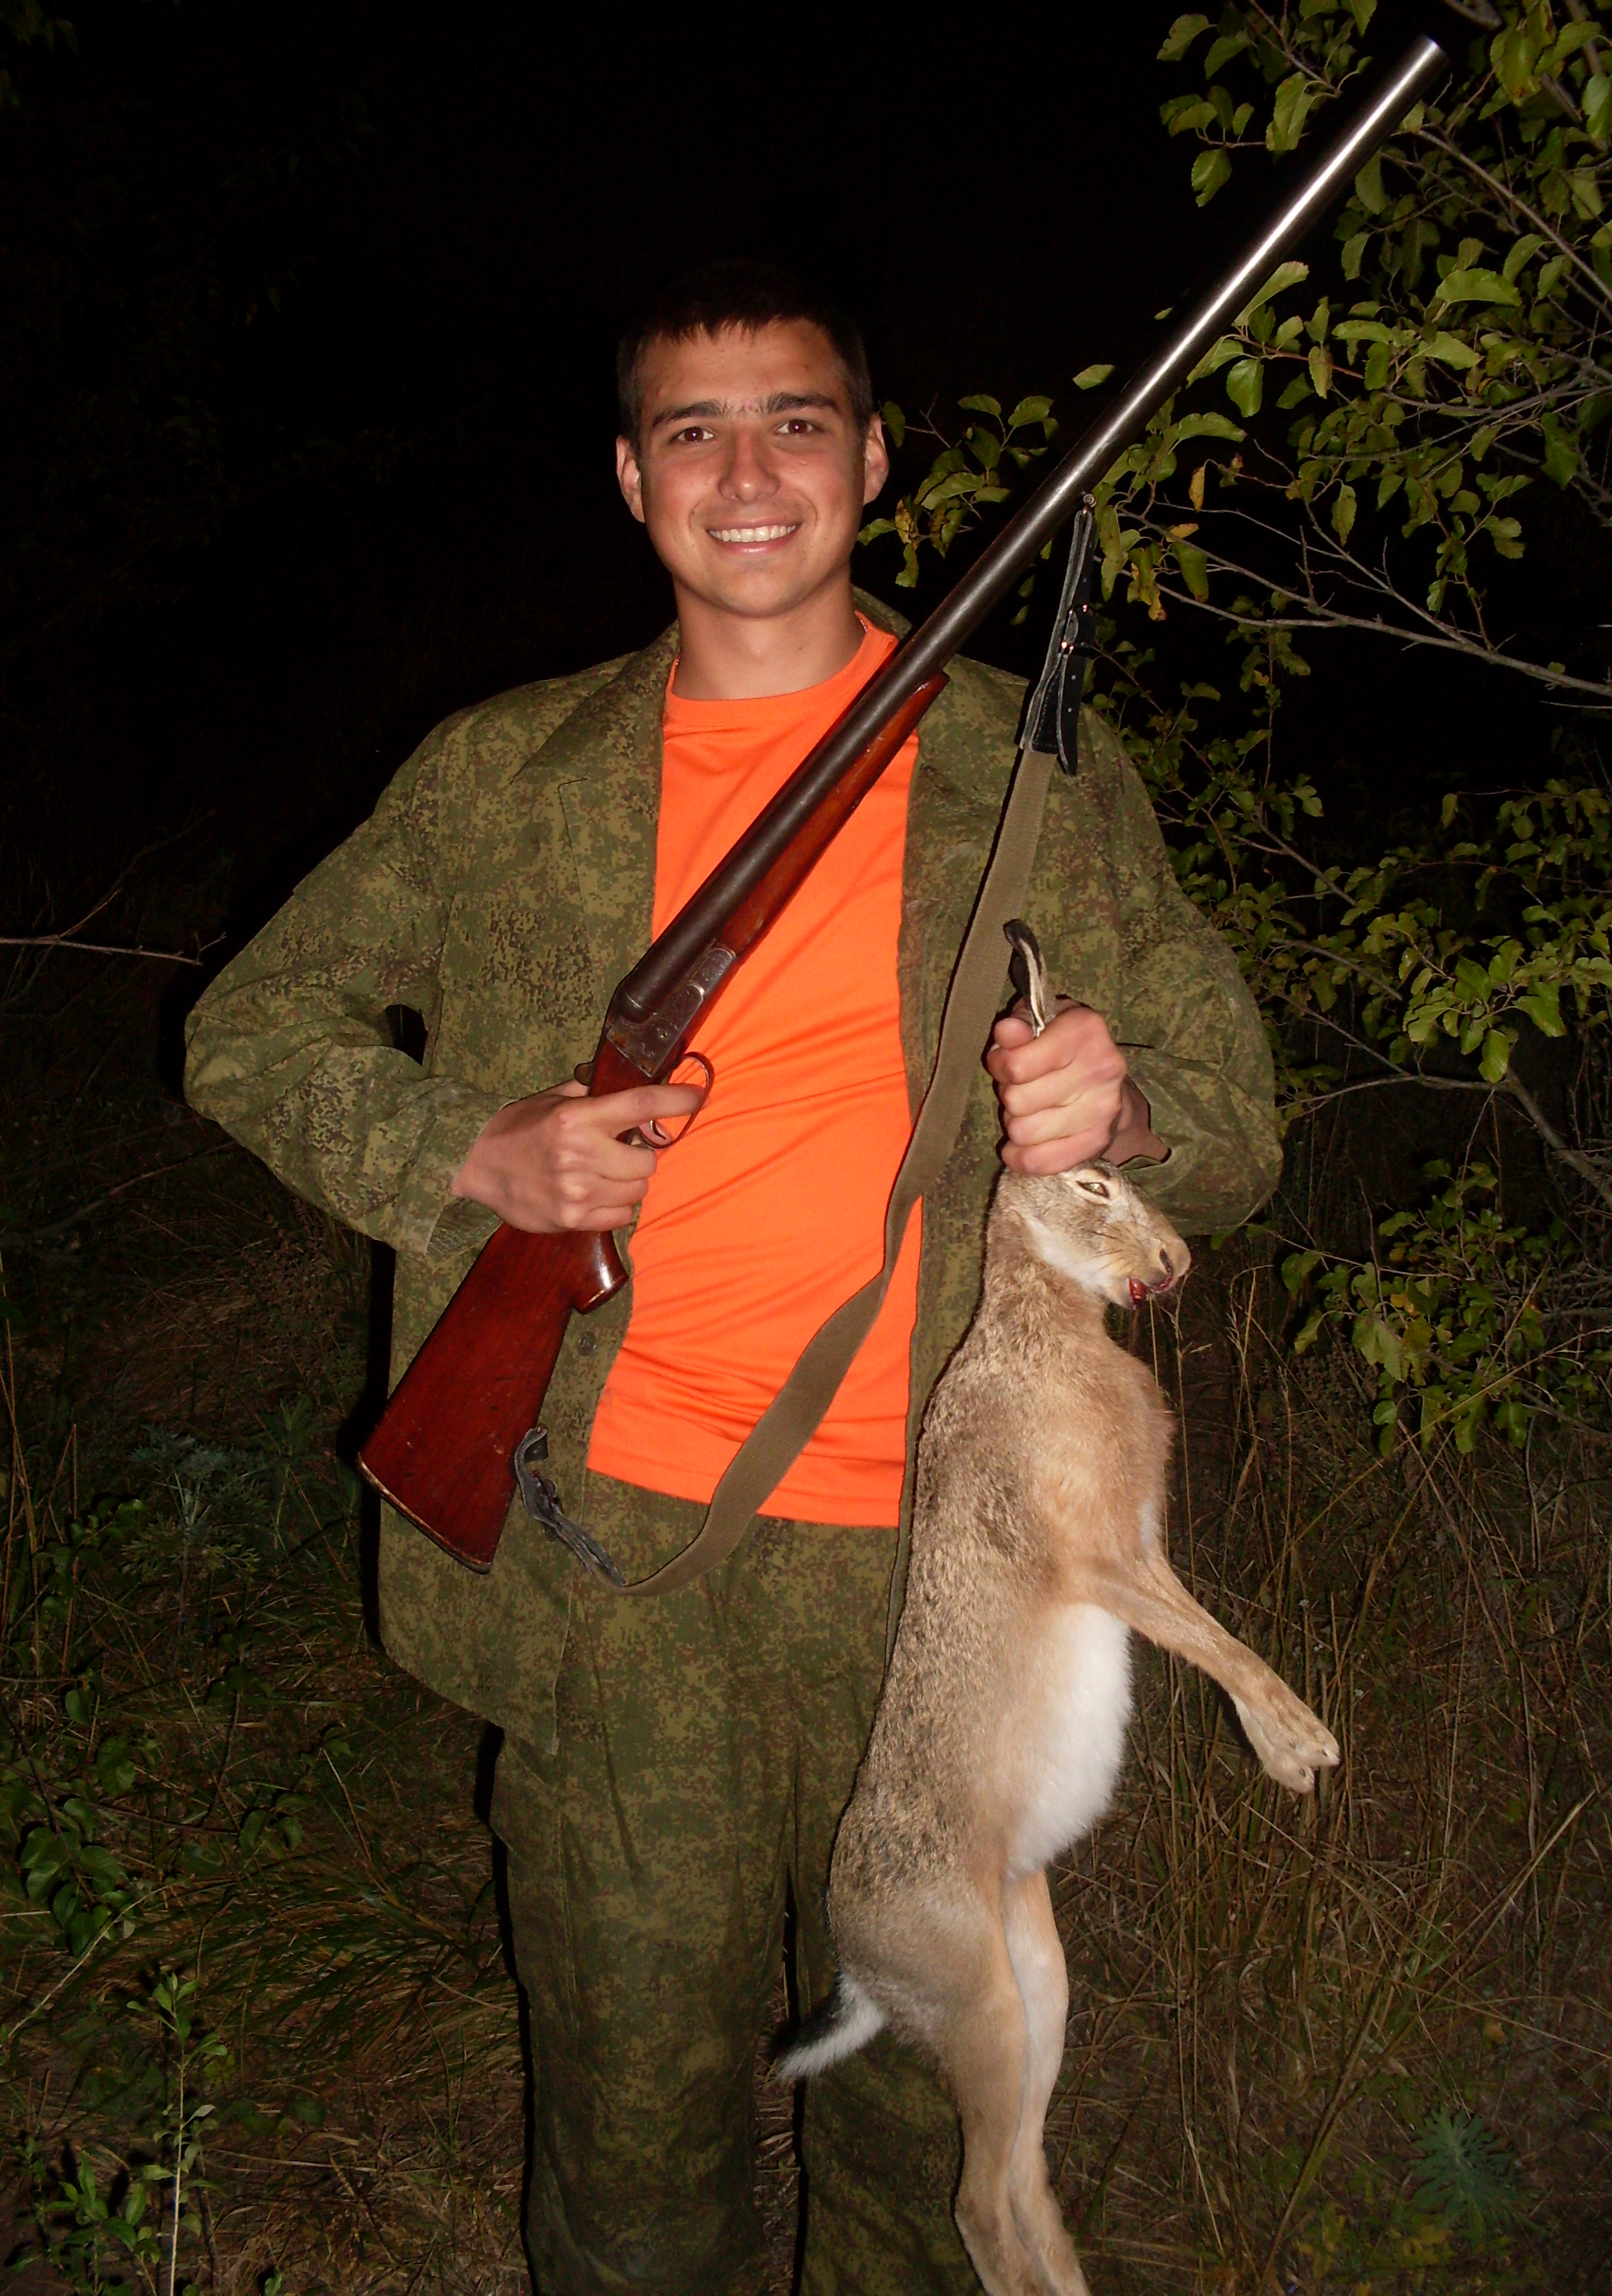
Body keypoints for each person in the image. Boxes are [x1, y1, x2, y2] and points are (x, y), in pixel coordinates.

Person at [184, 260, 1280, 2296]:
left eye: (797, 422)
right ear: (631, 477)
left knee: (923, 2130)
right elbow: (247, 1033)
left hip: (947, 1577)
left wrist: (1122, 1113)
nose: (749, 472)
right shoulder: (506, 775)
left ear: (874, 462)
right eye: (694, 431)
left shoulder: (1024, 773)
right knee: (632, 2129)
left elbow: (1233, 1122)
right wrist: (472, 1152)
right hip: (615, 1566)